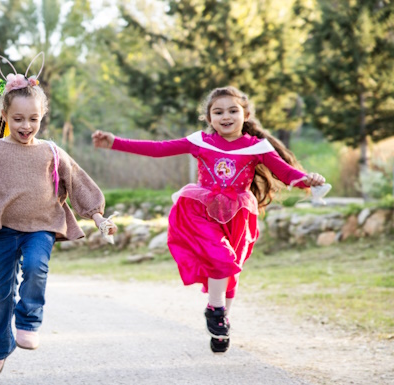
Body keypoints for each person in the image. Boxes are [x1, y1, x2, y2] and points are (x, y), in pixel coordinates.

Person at [92, 86, 326, 353]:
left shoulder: (257, 147)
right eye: (218, 112)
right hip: (201, 211)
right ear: (209, 118)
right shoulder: (201, 141)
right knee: (220, 258)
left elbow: (286, 173)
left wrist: (308, 179)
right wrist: (115, 142)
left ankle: (221, 329)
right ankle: (214, 311)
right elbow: (158, 149)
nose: (226, 116)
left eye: (232, 110)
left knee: (229, 272)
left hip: (238, 215)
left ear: (245, 114)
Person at [0, 53, 117, 380]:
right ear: (5, 115)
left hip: (42, 226)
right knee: (0, 294)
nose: (26, 126)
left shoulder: (50, 151)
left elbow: (76, 181)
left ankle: (28, 322)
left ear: (42, 117)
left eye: (33, 119)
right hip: (3, 230)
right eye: (18, 119)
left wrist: (97, 215)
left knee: (36, 267)